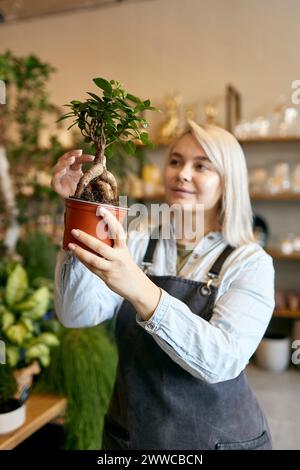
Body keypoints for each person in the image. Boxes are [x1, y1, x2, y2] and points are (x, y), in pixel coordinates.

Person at [51, 120, 275, 450]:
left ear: (229, 182)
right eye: (175, 161)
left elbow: (223, 360)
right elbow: (75, 314)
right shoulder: (138, 241)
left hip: (218, 442)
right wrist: (78, 208)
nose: (182, 174)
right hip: (132, 437)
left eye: (201, 166)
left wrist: (140, 289)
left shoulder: (249, 263)